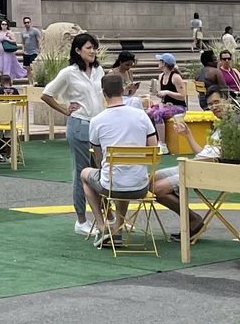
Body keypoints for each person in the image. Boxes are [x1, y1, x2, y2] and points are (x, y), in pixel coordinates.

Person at [78, 71, 159, 247]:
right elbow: (154, 147)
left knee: (85, 174)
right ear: (123, 90)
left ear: (104, 94)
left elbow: (98, 157)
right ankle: (118, 227)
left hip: (111, 184)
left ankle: (102, 225)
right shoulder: (140, 115)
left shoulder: (97, 120)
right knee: (125, 173)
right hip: (140, 185)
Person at [41, 33, 104, 234]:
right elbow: (46, 94)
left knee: (102, 171)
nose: (93, 51)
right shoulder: (69, 72)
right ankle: (81, 220)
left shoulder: (98, 70)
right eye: (88, 48)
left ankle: (107, 217)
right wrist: (64, 109)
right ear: (78, 50)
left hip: (98, 125)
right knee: (81, 172)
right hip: (79, 124)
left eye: (94, 47)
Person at [151, 87, 232, 240]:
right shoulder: (218, 125)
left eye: (217, 102)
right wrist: (187, 134)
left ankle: (193, 220)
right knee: (150, 179)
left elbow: (224, 159)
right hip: (197, 163)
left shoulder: (235, 125)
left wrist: (203, 162)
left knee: (158, 188)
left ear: (226, 100)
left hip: (209, 170)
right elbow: (203, 152)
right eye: (210, 105)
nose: (214, 108)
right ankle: (191, 217)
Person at [148, 52, 189, 128]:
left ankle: (162, 139)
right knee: (149, 112)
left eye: (160, 61)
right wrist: (156, 92)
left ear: (164, 63)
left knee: (158, 114)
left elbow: (182, 96)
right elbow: (161, 94)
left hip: (179, 106)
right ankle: (154, 136)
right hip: (166, 105)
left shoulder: (175, 77)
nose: (158, 62)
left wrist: (168, 92)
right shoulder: (161, 76)